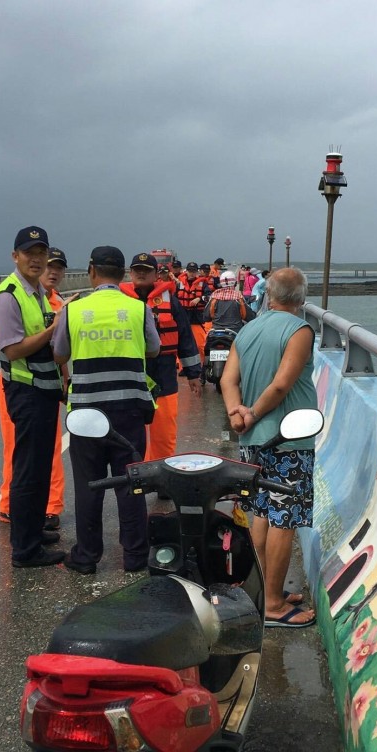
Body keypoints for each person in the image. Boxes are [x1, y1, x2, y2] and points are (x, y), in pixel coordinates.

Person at [53, 246, 161, 575]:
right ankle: (135, 557)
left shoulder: (75, 310)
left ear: (91, 272)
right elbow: (154, 349)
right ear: (122, 273)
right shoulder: (138, 308)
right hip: (128, 409)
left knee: (89, 485)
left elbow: (59, 354)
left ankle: (86, 557)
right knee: (130, 483)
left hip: (86, 414)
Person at [220, 267, 317, 628]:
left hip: (251, 439)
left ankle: (264, 591)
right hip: (288, 437)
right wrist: (256, 412)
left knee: (262, 511)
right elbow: (281, 386)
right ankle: (274, 604)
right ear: (302, 298)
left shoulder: (248, 329)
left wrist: (237, 414)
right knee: (284, 519)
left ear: (268, 294)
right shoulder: (300, 330)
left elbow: (229, 379)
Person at [0, 226, 65, 568]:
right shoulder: (9, 295)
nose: (36, 259)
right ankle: (25, 549)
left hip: (43, 391)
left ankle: (33, 530)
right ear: (15, 255)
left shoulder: (35, 291)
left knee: (38, 469)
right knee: (28, 472)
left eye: (41, 253)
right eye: (29, 252)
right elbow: (13, 348)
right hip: (27, 392)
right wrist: (54, 331)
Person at [120, 252, 201, 465]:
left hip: (164, 376)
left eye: (146, 270)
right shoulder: (120, 302)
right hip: (130, 376)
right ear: (130, 273)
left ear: (156, 274)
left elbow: (185, 338)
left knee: (164, 433)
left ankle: (164, 476)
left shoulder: (171, 303)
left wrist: (193, 374)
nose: (141, 274)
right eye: (137, 270)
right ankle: (138, 475)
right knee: (131, 434)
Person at [177, 262, 212, 377]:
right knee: (183, 344)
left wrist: (199, 298)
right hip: (183, 317)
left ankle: (202, 366)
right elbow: (174, 298)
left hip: (197, 318)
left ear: (197, 272)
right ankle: (184, 367)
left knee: (201, 344)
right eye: (190, 271)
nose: (191, 273)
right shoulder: (179, 284)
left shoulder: (203, 284)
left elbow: (210, 297)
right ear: (186, 271)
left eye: (193, 271)